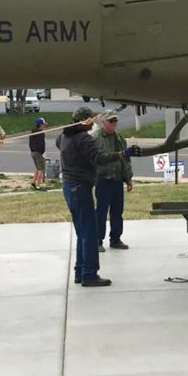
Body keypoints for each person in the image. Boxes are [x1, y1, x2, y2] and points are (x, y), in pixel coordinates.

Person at [57, 107, 141, 287]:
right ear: (85, 121)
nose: (94, 123)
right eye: (91, 120)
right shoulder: (83, 138)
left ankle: (80, 271)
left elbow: (65, 137)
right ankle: (89, 274)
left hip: (68, 186)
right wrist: (122, 154)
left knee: (81, 232)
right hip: (81, 187)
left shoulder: (63, 137)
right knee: (89, 232)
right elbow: (99, 158)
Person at [93, 114, 134, 251]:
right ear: (103, 122)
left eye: (115, 121)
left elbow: (126, 160)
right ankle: (98, 240)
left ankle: (116, 239)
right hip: (103, 179)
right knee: (101, 211)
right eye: (111, 121)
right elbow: (97, 158)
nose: (114, 124)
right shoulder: (96, 138)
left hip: (117, 179)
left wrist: (128, 178)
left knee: (117, 211)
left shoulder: (119, 139)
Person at [29, 117, 48, 191]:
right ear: (40, 125)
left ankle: (33, 182)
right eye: (43, 124)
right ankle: (38, 185)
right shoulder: (40, 133)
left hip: (33, 152)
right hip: (38, 153)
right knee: (41, 169)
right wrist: (42, 152)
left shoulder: (33, 132)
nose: (44, 126)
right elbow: (41, 144)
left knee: (37, 168)